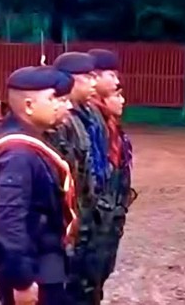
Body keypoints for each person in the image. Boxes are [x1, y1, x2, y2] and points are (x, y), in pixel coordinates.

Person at [0, 66, 78, 305]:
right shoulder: (18, 153)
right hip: (33, 268)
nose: (66, 105)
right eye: (55, 98)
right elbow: (9, 219)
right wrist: (22, 280)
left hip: (45, 260)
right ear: (29, 105)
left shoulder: (35, 140)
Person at [52, 52, 109, 305]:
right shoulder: (62, 121)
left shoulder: (90, 114)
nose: (94, 83)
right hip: (72, 217)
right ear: (71, 80)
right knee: (71, 284)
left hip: (90, 211)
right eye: (88, 77)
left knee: (90, 281)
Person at [86, 49, 133, 297]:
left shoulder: (107, 119)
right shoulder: (90, 117)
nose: (117, 81)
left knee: (98, 276)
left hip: (109, 213)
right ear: (94, 77)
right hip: (96, 214)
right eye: (111, 75)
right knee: (87, 280)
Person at [96, 84, 136, 285]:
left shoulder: (114, 129)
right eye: (117, 96)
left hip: (112, 215)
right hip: (100, 219)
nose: (123, 101)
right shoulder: (98, 131)